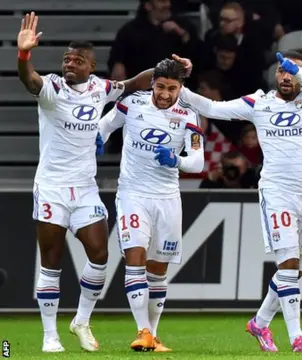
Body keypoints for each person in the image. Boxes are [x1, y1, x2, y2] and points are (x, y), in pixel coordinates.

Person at [17, 12, 191, 353]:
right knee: (51, 259)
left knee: (100, 254)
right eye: (67, 58)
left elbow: (133, 85)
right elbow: (30, 80)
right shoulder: (52, 88)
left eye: (78, 60)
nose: (70, 64)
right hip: (52, 187)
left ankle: (81, 320)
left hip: (84, 188)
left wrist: (167, 70)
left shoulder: (100, 88)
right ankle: (49, 334)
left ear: (91, 66)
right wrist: (24, 55)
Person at [179, 51, 302, 353]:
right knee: (287, 262)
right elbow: (211, 107)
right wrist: (178, 83)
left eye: (292, 72)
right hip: (276, 193)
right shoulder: (259, 103)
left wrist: (300, 71)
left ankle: (259, 323)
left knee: (298, 267)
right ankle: (296, 336)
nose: (286, 77)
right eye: (281, 71)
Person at [98, 59, 204, 352]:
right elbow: (105, 125)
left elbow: (198, 160)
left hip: (168, 199)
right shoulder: (133, 103)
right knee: (135, 258)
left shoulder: (188, 114)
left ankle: (152, 336)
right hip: (133, 194)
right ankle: (142, 329)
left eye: (172, 88)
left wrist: (178, 161)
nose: (165, 94)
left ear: (180, 88)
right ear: (153, 84)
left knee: (158, 271)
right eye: (160, 87)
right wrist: (98, 137)